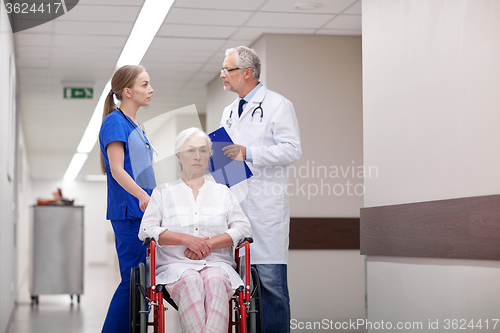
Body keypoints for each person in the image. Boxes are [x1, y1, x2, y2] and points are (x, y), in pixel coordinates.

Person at [219, 46, 302, 333]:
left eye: (227, 69)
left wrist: (248, 153)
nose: (222, 75)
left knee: (270, 288)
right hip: (236, 210)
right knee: (241, 291)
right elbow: (225, 161)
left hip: (266, 211)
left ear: (247, 72)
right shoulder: (228, 112)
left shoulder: (279, 105)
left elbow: (292, 150)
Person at [139, 127, 252, 333]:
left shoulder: (223, 192)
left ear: (209, 156)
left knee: (215, 279)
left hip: (218, 264)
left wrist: (209, 244)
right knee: (191, 279)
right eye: (191, 150)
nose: (197, 156)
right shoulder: (163, 193)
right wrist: (185, 239)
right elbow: (146, 229)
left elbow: (243, 227)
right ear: (179, 156)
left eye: (203, 150)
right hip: (176, 266)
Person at [98, 65, 156, 333]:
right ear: (127, 91)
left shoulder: (136, 126)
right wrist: (143, 195)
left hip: (143, 213)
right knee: (132, 281)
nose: (150, 89)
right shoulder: (114, 121)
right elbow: (117, 169)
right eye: (145, 84)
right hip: (130, 214)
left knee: (140, 283)